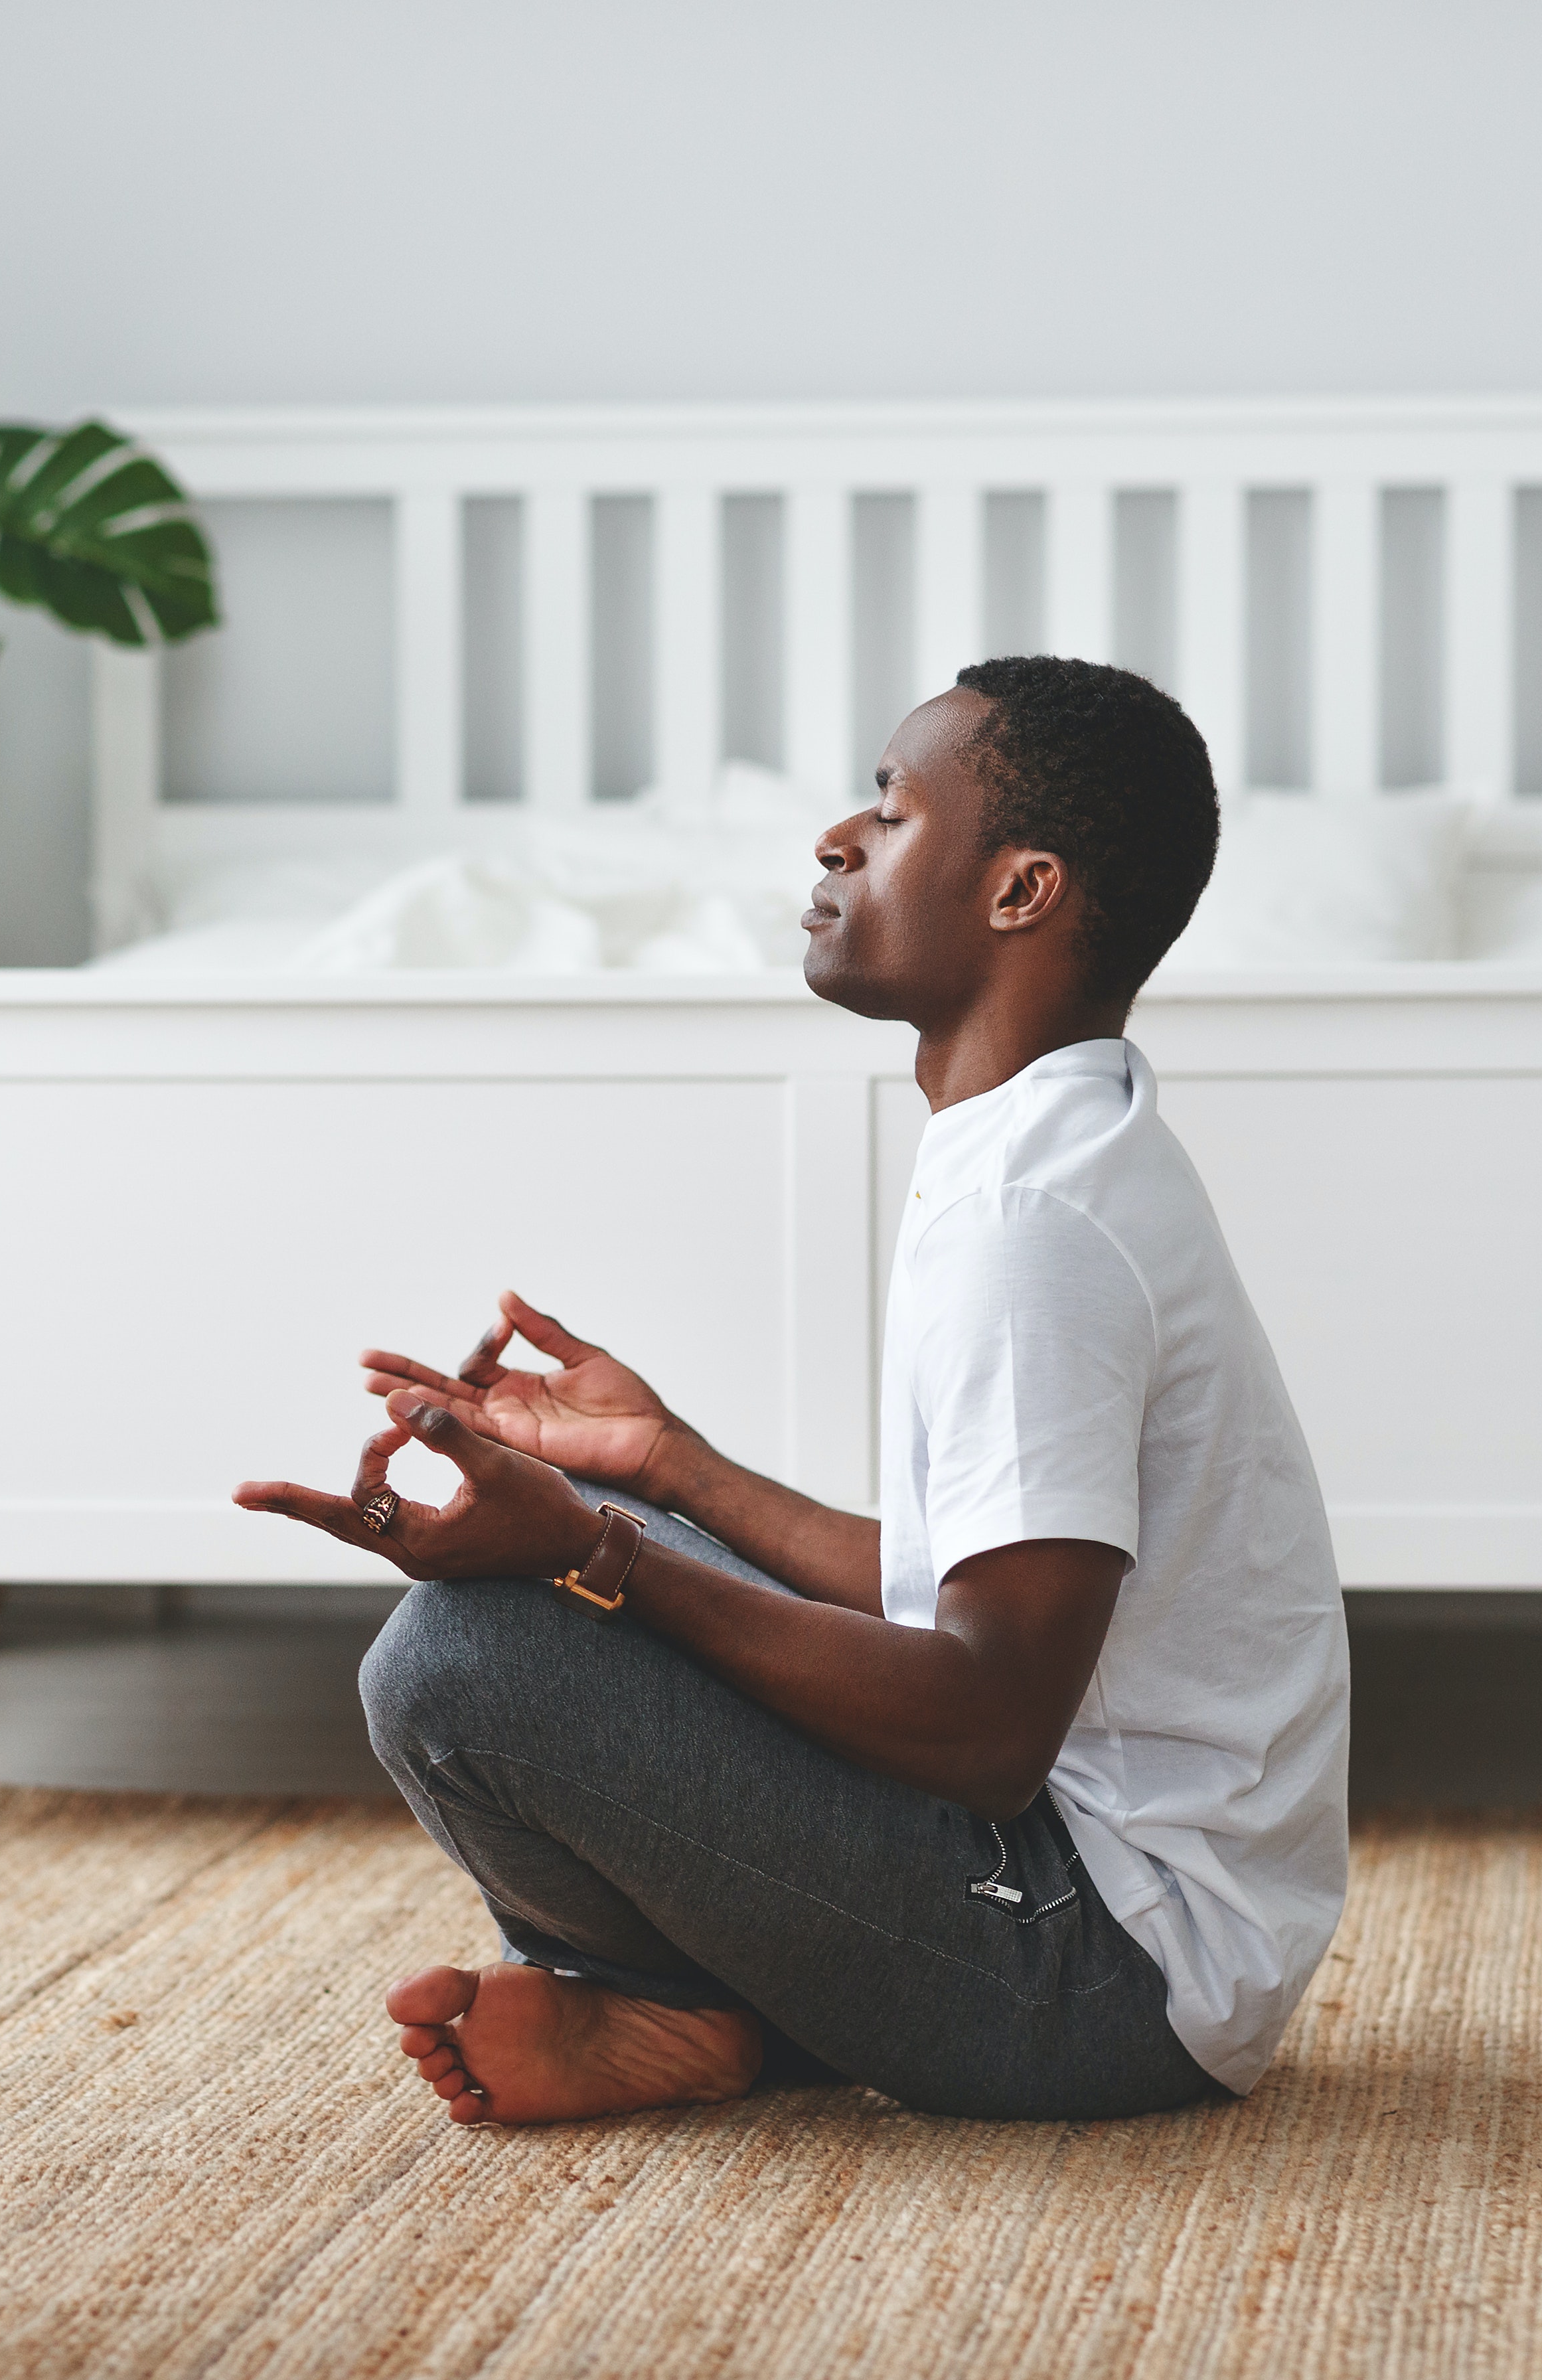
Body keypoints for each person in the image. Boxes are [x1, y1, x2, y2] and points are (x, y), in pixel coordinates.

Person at [234, 655, 1348, 2127]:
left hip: (1107, 1980)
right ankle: (704, 2022)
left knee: (460, 1660)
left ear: (1020, 893)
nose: (835, 838)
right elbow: (943, 1591)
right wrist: (663, 1466)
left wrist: (590, 1553)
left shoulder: (1035, 1228)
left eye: (889, 813)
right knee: (596, 1539)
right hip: (1108, 1912)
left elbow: (987, 1723)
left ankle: (687, 2004)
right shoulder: (1050, 1144)